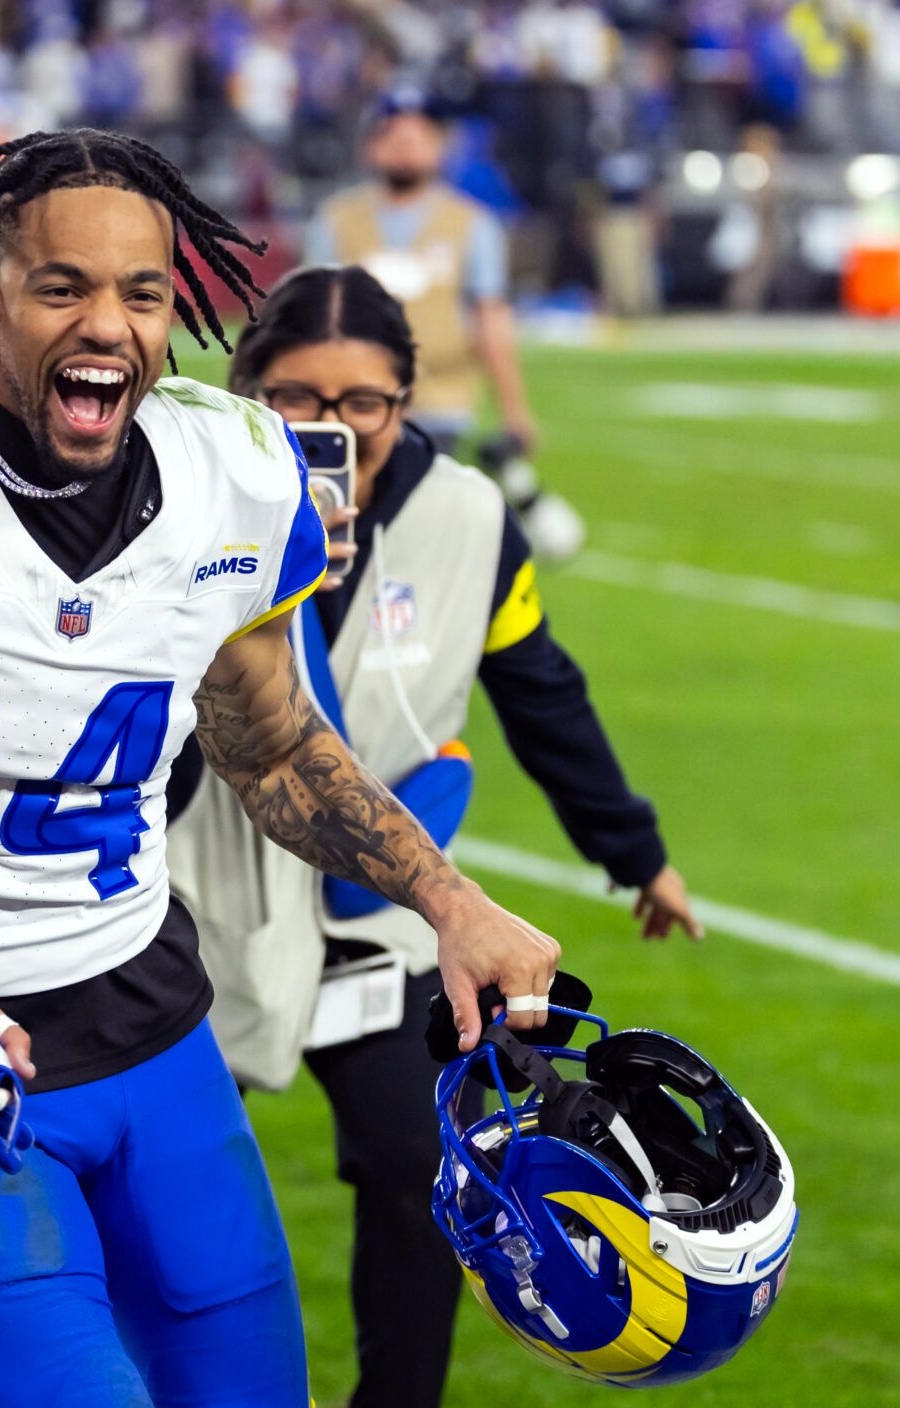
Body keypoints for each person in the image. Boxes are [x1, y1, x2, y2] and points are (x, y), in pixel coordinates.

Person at [0, 129, 565, 1408]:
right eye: (62, 286)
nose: (110, 325)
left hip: (153, 1028)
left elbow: (278, 748)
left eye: (142, 293)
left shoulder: (232, 473)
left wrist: (452, 903)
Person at [165, 265, 700, 1408]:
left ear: (409, 399)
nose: (332, 426)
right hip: (201, 902)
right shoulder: (175, 495)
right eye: (295, 396)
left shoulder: (467, 515)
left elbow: (537, 687)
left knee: (422, 1174)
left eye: (366, 401)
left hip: (389, 922)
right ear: (243, 383)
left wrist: (634, 849)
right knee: (170, 1195)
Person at [304, 85, 584, 563]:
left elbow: (490, 321)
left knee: (428, 545)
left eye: (419, 138)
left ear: (439, 147)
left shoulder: (472, 225)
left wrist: (513, 409)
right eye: (395, 137)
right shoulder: (336, 221)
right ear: (372, 146)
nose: (407, 148)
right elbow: (307, 318)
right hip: (349, 411)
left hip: (441, 405)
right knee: (347, 545)